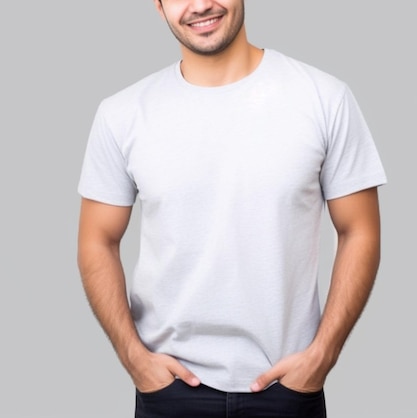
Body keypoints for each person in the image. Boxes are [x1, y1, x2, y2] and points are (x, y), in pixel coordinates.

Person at [77, 0, 387, 416]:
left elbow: (360, 230)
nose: (201, 5)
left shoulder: (323, 97)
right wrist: (135, 359)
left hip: (288, 389)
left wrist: (322, 357)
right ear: (159, 6)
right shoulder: (122, 113)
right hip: (168, 391)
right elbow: (97, 238)